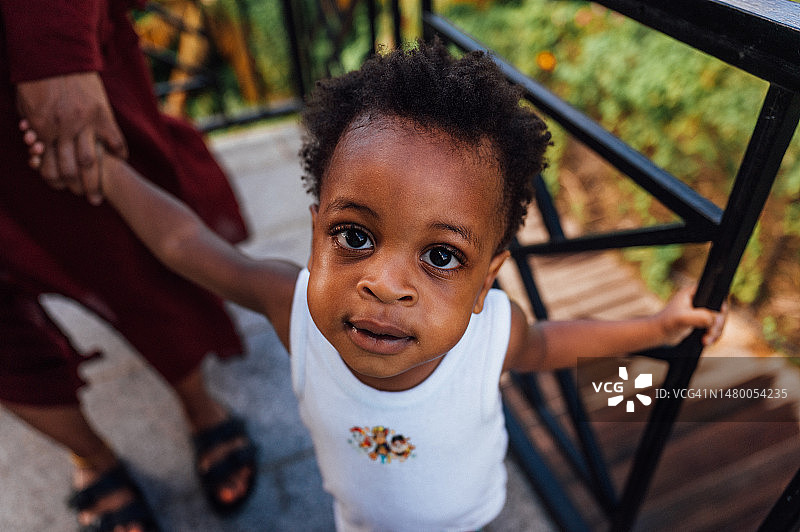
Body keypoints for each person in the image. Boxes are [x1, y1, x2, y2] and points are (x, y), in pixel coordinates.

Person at [23, 41, 726, 531]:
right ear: (315, 230)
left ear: (489, 279)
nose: (386, 284)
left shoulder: (490, 333)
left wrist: (654, 330)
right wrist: (106, 172)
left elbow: (548, 344)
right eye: (354, 236)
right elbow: (185, 245)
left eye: (442, 257)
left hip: (469, 516)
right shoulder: (290, 305)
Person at [1, 1, 257, 530]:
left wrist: (54, 50)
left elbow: (177, 243)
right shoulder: (313, 303)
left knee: (127, 257)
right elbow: (183, 241)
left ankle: (199, 405)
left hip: (22, 59)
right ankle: (91, 455)